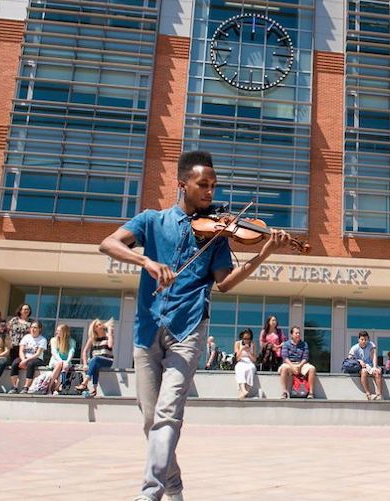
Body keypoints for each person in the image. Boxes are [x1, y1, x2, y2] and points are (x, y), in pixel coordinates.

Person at [99, 150, 292, 501]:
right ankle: (174, 486)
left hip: (189, 327)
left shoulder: (216, 236)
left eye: (214, 186)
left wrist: (263, 253)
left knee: (168, 414)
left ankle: (151, 492)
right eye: (203, 184)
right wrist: (146, 261)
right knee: (149, 419)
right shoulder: (151, 221)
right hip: (147, 327)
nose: (210, 192)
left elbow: (226, 282)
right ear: (182, 184)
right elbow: (107, 243)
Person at [77, 318, 115, 397]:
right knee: (94, 363)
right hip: (96, 361)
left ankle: (84, 383)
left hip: (107, 360)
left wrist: (110, 332)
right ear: (94, 328)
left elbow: (110, 345)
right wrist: (84, 364)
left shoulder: (107, 335)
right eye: (97, 325)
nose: (100, 326)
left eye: (100, 324)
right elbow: (84, 352)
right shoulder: (92, 338)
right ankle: (94, 389)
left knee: (95, 359)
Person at [8, 320, 48, 393]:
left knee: (30, 364)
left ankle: (26, 387)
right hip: (24, 357)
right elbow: (21, 351)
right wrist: (23, 360)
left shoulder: (42, 340)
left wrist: (25, 361)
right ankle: (14, 387)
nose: (33, 329)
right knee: (15, 363)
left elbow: (37, 354)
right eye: (31, 327)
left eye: (35, 328)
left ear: (39, 329)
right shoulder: (26, 337)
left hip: (36, 359)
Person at [279, 326, 316, 399]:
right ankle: (284, 392)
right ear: (291, 335)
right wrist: (293, 366)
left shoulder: (304, 344)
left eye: (299, 333)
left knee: (312, 368)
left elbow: (305, 357)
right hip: (289, 363)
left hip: (301, 363)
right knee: (283, 368)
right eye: (296, 333)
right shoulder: (286, 344)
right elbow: (285, 357)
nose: (298, 335)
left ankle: (311, 393)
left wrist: (300, 366)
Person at [349, 330, 383, 400]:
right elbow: (349, 358)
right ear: (358, 340)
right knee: (364, 371)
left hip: (370, 365)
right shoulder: (354, 348)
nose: (364, 341)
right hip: (360, 367)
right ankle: (368, 394)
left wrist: (374, 366)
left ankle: (379, 394)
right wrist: (359, 361)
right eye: (362, 339)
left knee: (377, 372)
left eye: (366, 339)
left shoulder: (371, 344)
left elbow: (374, 356)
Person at [48, 324, 76, 394]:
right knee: (60, 364)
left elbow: (71, 351)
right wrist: (60, 360)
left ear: (64, 332)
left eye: (58, 331)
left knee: (65, 366)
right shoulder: (54, 340)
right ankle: (49, 387)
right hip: (56, 360)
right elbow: (54, 352)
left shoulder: (71, 341)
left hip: (66, 361)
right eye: (57, 330)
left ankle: (57, 388)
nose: (56, 332)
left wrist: (67, 361)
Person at [234, 328, 257, 399]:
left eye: (248, 338)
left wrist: (249, 352)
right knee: (239, 369)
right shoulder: (237, 343)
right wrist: (241, 349)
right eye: (245, 338)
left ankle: (244, 391)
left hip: (249, 361)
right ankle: (244, 390)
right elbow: (237, 358)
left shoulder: (253, 344)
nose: (247, 340)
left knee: (251, 368)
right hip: (241, 361)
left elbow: (254, 359)